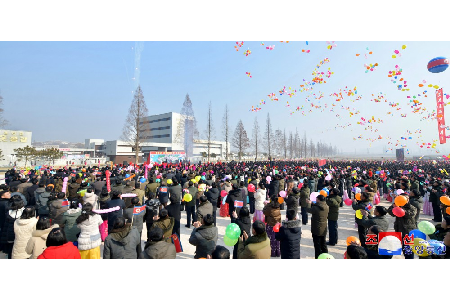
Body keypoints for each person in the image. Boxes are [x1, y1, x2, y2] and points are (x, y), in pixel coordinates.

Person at [387, 193, 417, 259]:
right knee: (403, 248)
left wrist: (399, 209)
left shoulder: (412, 207)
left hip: (408, 231)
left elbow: (409, 214)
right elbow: (390, 212)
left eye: (406, 198)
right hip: (399, 229)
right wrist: (393, 206)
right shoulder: (397, 205)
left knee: (408, 250)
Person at [306, 194, 329, 259]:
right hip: (323, 227)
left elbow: (308, 210)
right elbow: (318, 206)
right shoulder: (326, 206)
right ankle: (326, 256)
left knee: (317, 245)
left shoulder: (315, 208)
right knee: (323, 243)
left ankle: (318, 257)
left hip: (316, 228)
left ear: (318, 200)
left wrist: (309, 203)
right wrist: (313, 203)